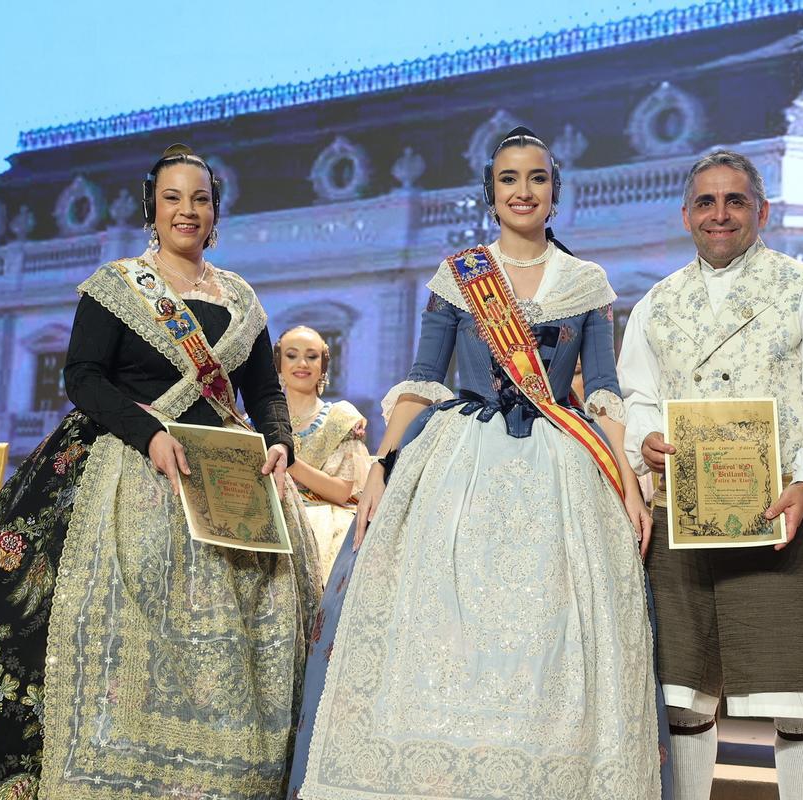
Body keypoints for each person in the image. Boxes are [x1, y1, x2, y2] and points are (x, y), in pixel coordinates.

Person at [0, 144, 320, 799]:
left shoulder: (241, 297)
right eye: (173, 197)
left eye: (200, 199)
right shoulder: (119, 284)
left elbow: (262, 389)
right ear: (152, 207)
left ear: (215, 212)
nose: (187, 210)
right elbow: (82, 377)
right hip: (124, 459)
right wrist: (147, 432)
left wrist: (281, 440)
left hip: (225, 472)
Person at [289, 127, 665, 799]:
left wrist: (630, 483)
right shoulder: (459, 276)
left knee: (553, 638)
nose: (524, 191)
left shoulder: (586, 283)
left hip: (562, 472)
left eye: (537, 178)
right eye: (509, 179)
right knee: (438, 631)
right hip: (457, 463)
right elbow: (423, 377)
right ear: (490, 193)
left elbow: (602, 391)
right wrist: (381, 465)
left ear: (555, 191)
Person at [620, 149, 803, 800]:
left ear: (763, 210)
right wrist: (644, 435)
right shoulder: (655, 305)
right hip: (682, 522)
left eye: (735, 201)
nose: (719, 214)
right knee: (681, 700)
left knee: (802, 705)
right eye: (706, 202)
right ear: (685, 215)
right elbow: (635, 397)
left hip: (781, 516)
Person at [275, 325, 370, 577]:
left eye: (312, 356)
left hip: (324, 520)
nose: (302, 363)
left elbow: (341, 491)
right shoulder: (255, 422)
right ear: (278, 364)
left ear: (323, 365)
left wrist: (288, 460)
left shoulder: (341, 418)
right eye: (292, 355)